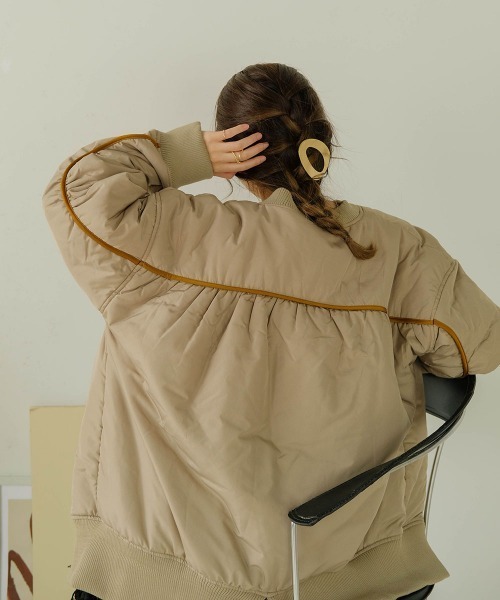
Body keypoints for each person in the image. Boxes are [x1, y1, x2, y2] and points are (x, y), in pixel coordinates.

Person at [42, 62, 499, 600]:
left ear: (234, 156)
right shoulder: (395, 250)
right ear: (322, 143)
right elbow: (479, 349)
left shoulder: (166, 236)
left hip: (161, 578)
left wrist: (188, 154)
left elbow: (76, 190)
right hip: (342, 576)